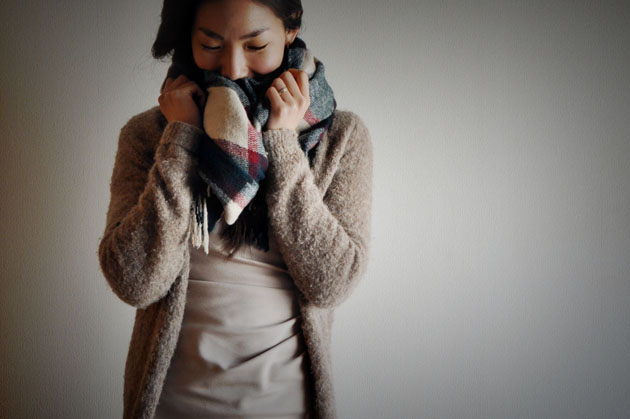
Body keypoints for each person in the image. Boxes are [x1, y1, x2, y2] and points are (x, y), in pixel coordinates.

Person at [98, 0, 372, 417]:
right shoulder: (149, 134)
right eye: (210, 44)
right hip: (171, 405)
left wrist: (282, 145)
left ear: (290, 30)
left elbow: (331, 285)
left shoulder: (340, 138)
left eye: (256, 45)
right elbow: (134, 283)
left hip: (285, 405)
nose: (233, 69)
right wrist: (181, 138)